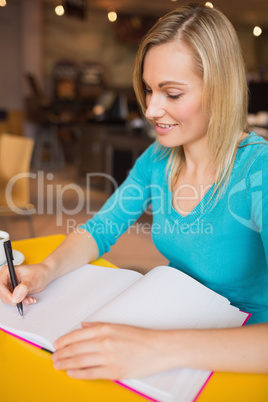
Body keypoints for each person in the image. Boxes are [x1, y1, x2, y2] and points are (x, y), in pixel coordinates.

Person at [0, 3, 268, 379]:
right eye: (148, 90)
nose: (152, 110)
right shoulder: (159, 158)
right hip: (176, 324)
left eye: (172, 94)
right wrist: (45, 269)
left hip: (240, 356)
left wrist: (158, 348)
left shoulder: (260, 169)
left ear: (222, 90)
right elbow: (101, 229)